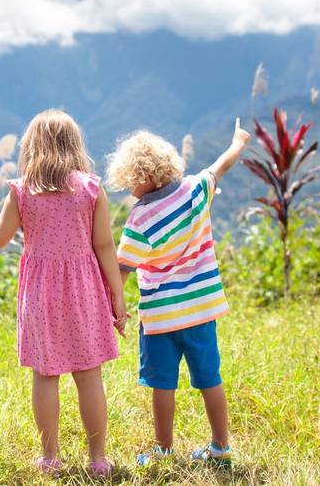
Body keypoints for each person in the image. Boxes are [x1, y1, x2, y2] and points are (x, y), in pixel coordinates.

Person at [0, 109, 128, 477]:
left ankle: (51, 457)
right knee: (89, 375)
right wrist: (117, 296)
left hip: (40, 296)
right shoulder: (91, 189)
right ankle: (97, 459)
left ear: (31, 147)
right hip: (85, 291)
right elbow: (104, 246)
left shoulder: (23, 191)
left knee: (45, 375)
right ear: (74, 145)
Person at [108, 119, 250, 466]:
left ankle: (163, 451)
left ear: (144, 176)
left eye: (131, 182)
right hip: (201, 311)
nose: (130, 190)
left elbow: (122, 269)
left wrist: (113, 308)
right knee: (210, 378)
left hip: (161, 318)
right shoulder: (196, 189)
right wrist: (237, 143)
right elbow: (221, 166)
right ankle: (220, 447)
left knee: (163, 384)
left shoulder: (140, 219)